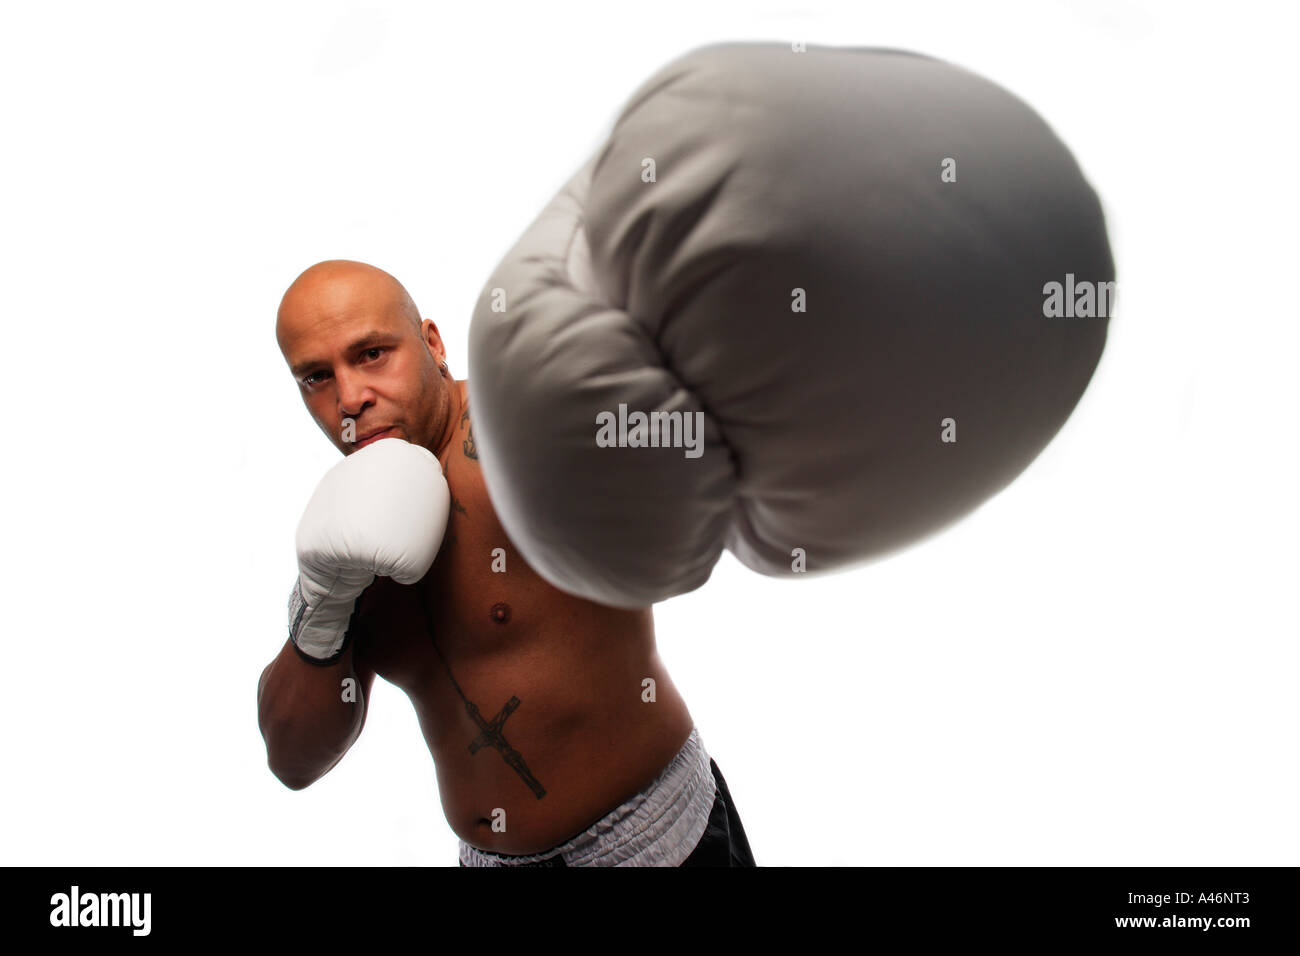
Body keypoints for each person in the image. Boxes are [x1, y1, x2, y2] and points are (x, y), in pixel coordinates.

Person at [257, 259, 755, 866]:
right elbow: (292, 761)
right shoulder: (346, 527)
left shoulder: (525, 428)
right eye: (316, 377)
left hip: (654, 845)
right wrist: (321, 606)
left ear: (432, 344)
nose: (350, 398)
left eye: (371, 355)